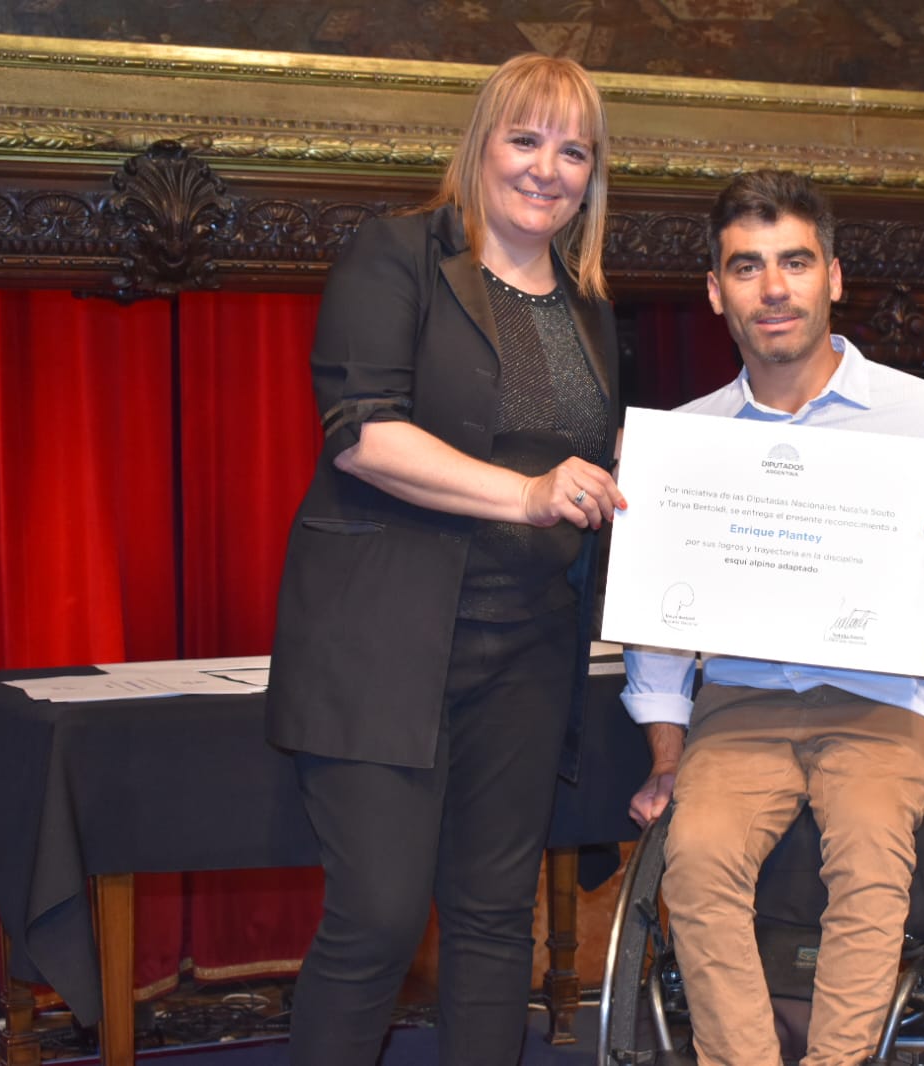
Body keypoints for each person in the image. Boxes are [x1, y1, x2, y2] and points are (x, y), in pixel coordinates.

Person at [622, 169, 924, 1066]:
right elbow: (655, 631)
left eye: (794, 262)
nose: (773, 288)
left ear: (833, 278)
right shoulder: (686, 439)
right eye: (746, 267)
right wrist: (667, 754)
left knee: (867, 857)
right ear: (714, 292)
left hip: (884, 706)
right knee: (692, 861)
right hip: (740, 706)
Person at [265, 53, 625, 1066]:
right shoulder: (394, 257)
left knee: (492, 920)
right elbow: (364, 436)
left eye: (573, 150)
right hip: (383, 644)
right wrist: (527, 491)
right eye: (525, 139)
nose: (547, 169)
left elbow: (590, 468)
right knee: (377, 918)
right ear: (480, 143)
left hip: (525, 650)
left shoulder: (590, 307)